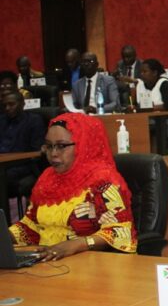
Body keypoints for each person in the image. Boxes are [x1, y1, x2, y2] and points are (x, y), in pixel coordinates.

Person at [9, 113, 137, 260]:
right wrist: (6, 237)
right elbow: (30, 225)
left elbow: (120, 231)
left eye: (61, 146)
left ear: (83, 144)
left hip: (93, 265)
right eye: (49, 146)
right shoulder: (47, 177)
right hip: (48, 261)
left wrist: (75, 245)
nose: (53, 154)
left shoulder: (102, 180)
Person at [0, 91, 46, 203]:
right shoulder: (1, 120)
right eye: (5, 105)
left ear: (22, 104)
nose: (7, 108)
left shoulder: (34, 121)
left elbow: (37, 152)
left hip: (23, 165)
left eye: (11, 104)